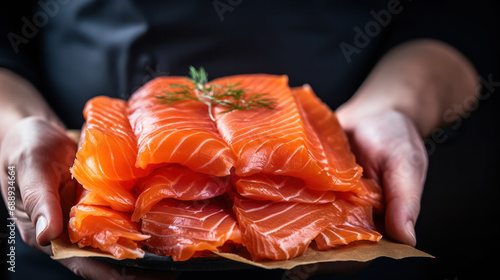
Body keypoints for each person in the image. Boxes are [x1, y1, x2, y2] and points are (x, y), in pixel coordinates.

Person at [0, 1, 496, 279]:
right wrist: (17, 125)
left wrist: (396, 107)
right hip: (53, 239)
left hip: (358, 241)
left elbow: (463, 14)